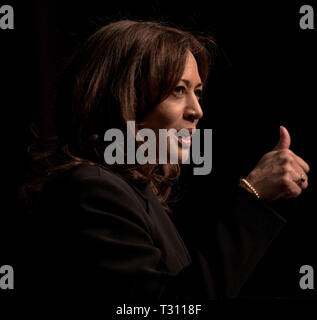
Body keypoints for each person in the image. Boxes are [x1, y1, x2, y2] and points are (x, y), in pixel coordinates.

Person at [22, 20, 309, 302]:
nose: (197, 110)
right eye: (178, 90)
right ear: (126, 97)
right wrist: (253, 194)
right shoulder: (92, 190)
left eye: (197, 92)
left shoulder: (130, 191)